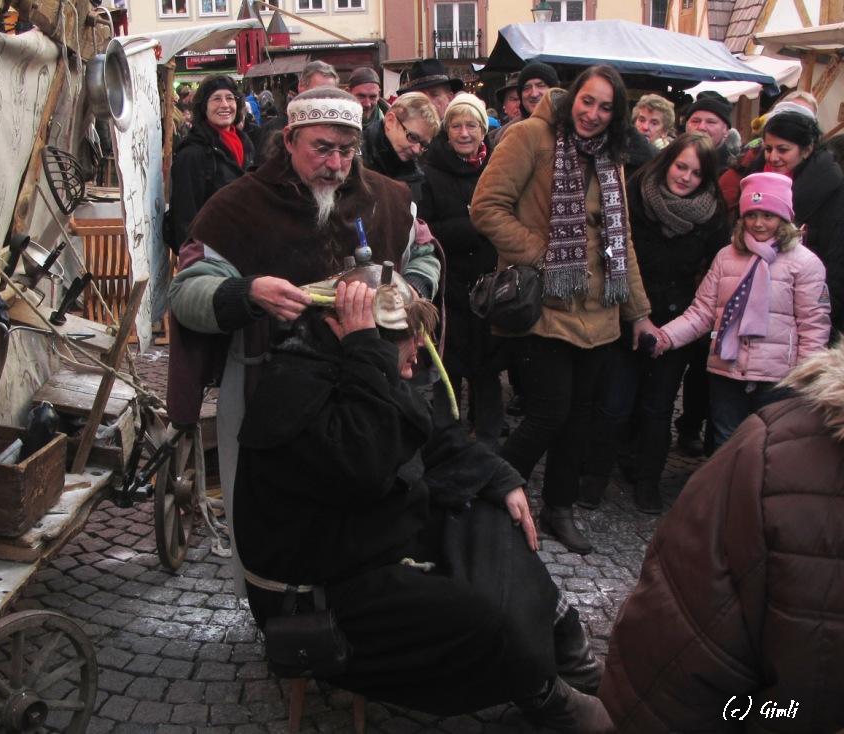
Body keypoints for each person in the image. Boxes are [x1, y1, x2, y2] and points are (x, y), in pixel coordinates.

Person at [235, 274, 612, 733]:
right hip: (315, 590)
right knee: (478, 614)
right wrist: (369, 355)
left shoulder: (351, 365)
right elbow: (365, 463)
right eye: (405, 345)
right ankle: (540, 689)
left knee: (490, 513)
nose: (417, 357)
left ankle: (561, 634)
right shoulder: (295, 384)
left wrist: (499, 476)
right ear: (347, 334)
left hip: (365, 537)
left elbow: (431, 440)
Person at [167, 86, 441, 593]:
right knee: (281, 520)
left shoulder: (389, 198)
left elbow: (424, 256)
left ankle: (363, 607)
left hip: (370, 387)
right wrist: (247, 292)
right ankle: (280, 615)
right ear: (289, 139)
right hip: (272, 398)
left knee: (367, 505)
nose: (337, 164)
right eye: (322, 148)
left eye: (347, 149)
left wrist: (408, 294)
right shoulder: (237, 207)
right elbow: (186, 291)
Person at [599, 343, 844, 732]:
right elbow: (801, 701)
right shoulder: (776, 454)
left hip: (772, 376)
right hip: (705, 703)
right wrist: (663, 334)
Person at [470, 65, 655, 555]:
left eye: (605, 106)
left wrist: (639, 313)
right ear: (572, 98)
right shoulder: (531, 136)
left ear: (617, 114)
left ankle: (558, 508)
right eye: (587, 101)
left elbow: (624, 241)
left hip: (599, 313)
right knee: (549, 413)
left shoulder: (612, 156)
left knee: (581, 419)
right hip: (545, 306)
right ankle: (489, 494)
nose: (593, 114)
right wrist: (543, 255)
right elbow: (486, 207)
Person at [580, 133, 728, 514]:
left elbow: (713, 274)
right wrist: (633, 312)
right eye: (681, 166)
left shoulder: (712, 214)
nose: (685, 177)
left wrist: (681, 327)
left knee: (658, 408)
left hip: (676, 323)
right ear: (668, 162)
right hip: (625, 311)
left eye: (696, 173)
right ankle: (594, 477)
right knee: (613, 403)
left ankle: (648, 482)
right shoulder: (636, 193)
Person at [654, 172, 830, 447]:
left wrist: (805, 377)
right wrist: (664, 337)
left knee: (771, 446)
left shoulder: (805, 264)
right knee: (727, 443)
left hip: (777, 377)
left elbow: (813, 325)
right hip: (728, 369)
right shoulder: (726, 256)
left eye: (768, 216)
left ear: (783, 218)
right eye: (751, 215)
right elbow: (702, 311)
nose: (758, 223)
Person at [418, 93, 505, 445]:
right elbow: (426, 229)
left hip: (490, 282)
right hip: (449, 283)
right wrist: (475, 224)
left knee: (488, 366)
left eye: (472, 125)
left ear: (483, 130)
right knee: (449, 365)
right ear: (446, 130)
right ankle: (447, 437)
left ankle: (487, 434)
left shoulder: (496, 168)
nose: (464, 133)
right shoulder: (429, 169)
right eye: (456, 125)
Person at [719, 112, 844, 335]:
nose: (773, 157)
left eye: (783, 150)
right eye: (768, 148)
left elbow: (835, 262)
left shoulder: (831, 190)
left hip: (803, 309)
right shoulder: (754, 178)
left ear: (806, 150)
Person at [675, 89, 735, 456]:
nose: (701, 126)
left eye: (710, 121)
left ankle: (692, 427)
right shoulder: (674, 164)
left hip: (716, 284)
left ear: (724, 130)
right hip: (679, 284)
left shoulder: (737, 170)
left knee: (704, 366)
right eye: (695, 120)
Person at [168, 75, 255, 252]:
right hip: (211, 257)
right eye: (216, 99)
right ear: (203, 107)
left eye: (230, 98)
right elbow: (185, 216)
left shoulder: (246, 144)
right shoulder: (192, 154)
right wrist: (194, 261)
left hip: (245, 251)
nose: (224, 105)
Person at [254, 60, 340, 165]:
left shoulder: (339, 129)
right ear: (301, 86)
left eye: (330, 94)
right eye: (318, 92)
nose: (325, 99)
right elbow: (262, 171)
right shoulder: (274, 128)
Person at [361, 92, 440, 203]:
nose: (416, 150)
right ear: (390, 121)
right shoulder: (352, 161)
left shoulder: (417, 178)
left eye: (423, 145)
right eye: (412, 137)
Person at [396, 58, 463, 121]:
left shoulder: (462, 130)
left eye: (434, 94)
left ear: (449, 98)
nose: (427, 101)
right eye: (420, 96)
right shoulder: (402, 131)